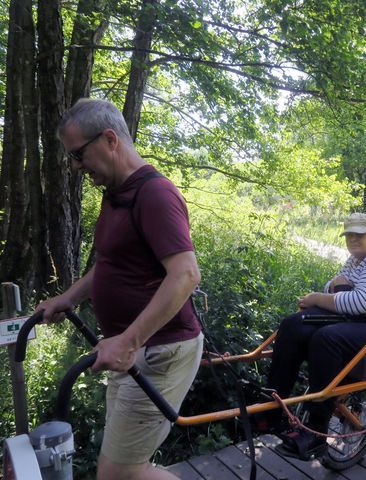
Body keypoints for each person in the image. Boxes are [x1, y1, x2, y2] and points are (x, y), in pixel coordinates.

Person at [36, 99, 203, 480]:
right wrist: (68, 298)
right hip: (132, 349)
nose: (76, 166)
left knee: (118, 473)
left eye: (79, 154)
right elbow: (111, 266)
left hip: (160, 352)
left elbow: (185, 274)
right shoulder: (117, 194)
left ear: (110, 139)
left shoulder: (155, 195)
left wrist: (128, 341)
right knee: (121, 468)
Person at [263, 212, 366, 460]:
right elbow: (335, 286)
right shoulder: (356, 260)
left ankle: (316, 433)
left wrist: (324, 297)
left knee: (326, 338)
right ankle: (273, 410)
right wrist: (338, 289)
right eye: (349, 234)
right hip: (361, 321)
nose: (353, 239)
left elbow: (360, 302)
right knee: (292, 325)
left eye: (359, 234)